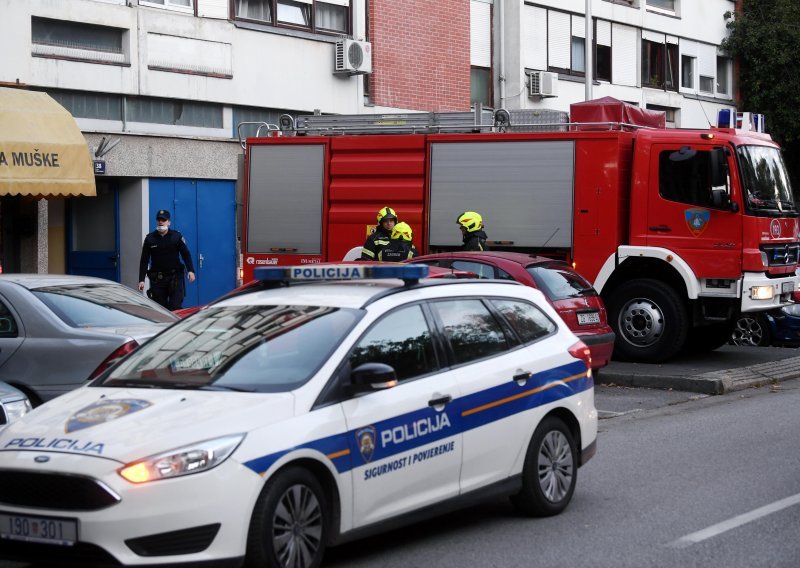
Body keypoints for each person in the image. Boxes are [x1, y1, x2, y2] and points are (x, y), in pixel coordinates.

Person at [138, 209, 196, 310]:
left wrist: (191, 270)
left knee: (175, 307)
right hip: (158, 279)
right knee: (160, 309)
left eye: (163, 220)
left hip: (175, 278)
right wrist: (141, 279)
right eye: (159, 220)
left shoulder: (176, 236)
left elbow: (185, 254)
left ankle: (176, 325)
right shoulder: (150, 238)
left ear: (169, 222)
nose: (161, 222)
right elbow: (144, 260)